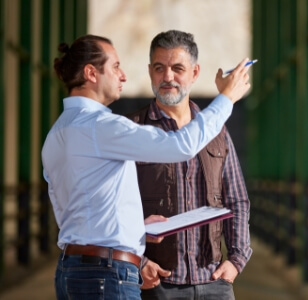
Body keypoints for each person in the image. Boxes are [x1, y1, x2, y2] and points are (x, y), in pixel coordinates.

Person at [41, 34, 251, 300]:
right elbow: (181, 146)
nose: (123, 76)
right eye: (115, 66)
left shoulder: (57, 133)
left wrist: (136, 228)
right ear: (91, 73)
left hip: (74, 270)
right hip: (109, 274)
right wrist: (227, 97)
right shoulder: (104, 127)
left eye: (177, 68)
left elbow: (82, 213)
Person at [128, 30, 252, 300]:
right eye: (159, 68)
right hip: (157, 283)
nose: (168, 77)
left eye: (177, 68)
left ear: (195, 73)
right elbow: (113, 209)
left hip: (214, 282)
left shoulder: (217, 132)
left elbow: (237, 200)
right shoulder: (131, 131)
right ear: (150, 71)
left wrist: (237, 259)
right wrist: (138, 261)